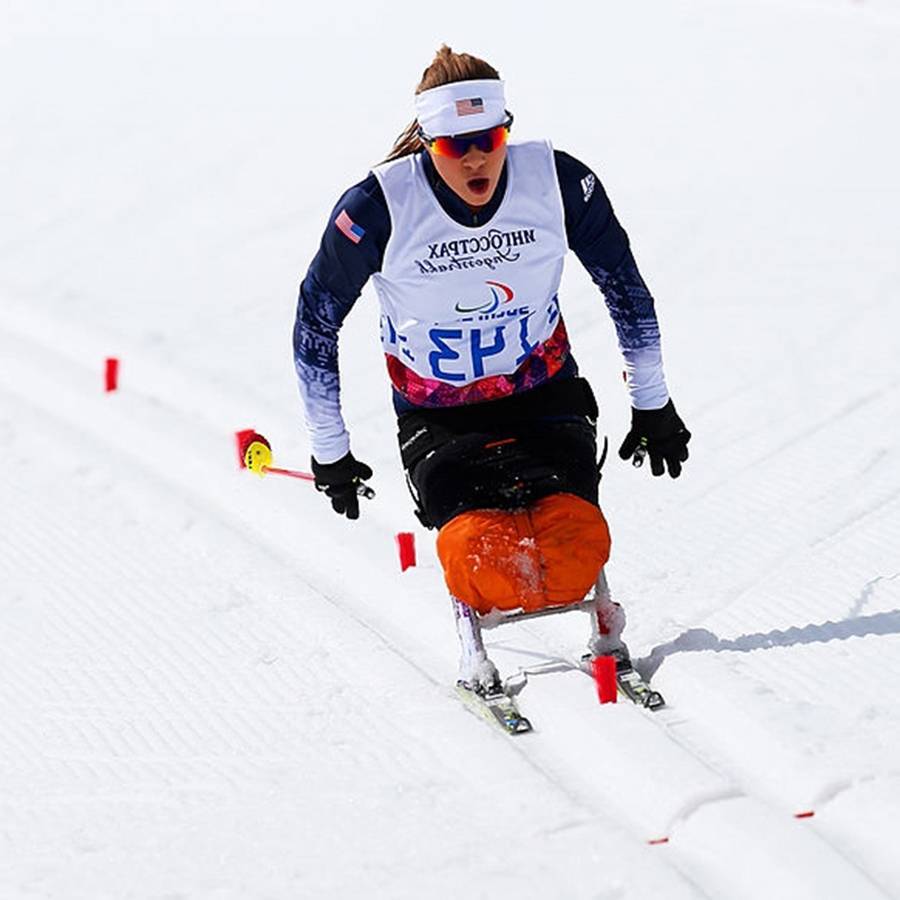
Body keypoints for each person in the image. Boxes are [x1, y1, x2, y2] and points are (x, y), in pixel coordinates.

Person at [293, 46, 691, 691]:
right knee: (486, 567)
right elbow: (315, 320)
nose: (476, 158)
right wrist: (330, 450)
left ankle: (602, 620)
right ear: (428, 142)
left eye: (489, 138)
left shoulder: (556, 182)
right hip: (440, 415)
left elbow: (625, 288)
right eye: (454, 146)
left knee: (574, 550)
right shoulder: (379, 207)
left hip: (545, 394)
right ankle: (473, 641)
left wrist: (653, 403)